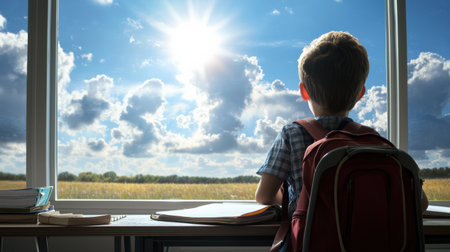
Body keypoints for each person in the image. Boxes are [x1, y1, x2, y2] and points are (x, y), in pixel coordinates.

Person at [255, 30, 428, 227]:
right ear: (360, 94)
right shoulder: (373, 140)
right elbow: (421, 204)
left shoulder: (291, 134)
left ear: (303, 91)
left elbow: (264, 196)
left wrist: (298, 199)